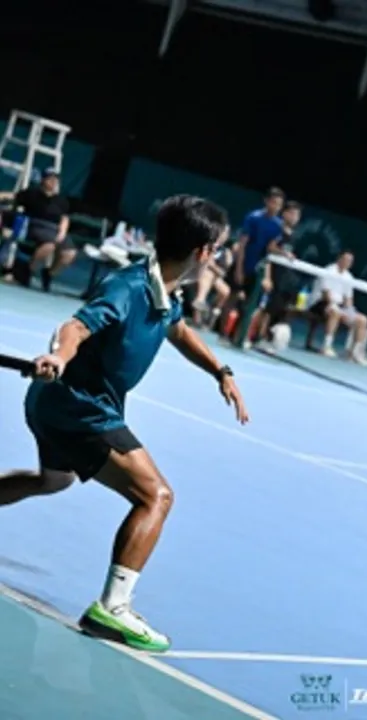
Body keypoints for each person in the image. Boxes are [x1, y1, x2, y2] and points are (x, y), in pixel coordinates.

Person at [0, 195, 249, 653]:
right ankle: (112, 609)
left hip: (55, 405)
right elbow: (76, 327)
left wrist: (221, 371)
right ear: (202, 252)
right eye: (217, 248)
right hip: (82, 410)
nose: (218, 256)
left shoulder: (162, 289)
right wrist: (59, 355)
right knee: (156, 496)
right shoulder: (128, 287)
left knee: (52, 480)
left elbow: (178, 330)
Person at [219, 187, 286, 337]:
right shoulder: (253, 218)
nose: (276, 207)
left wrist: (285, 253)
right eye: (273, 202)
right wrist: (239, 270)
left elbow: (270, 248)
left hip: (258, 269)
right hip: (242, 263)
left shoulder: (278, 225)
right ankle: (222, 333)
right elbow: (242, 244)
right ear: (266, 201)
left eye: (279, 204)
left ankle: (236, 336)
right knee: (232, 297)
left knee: (250, 303)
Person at [0, 169, 76, 291]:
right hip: (36, 225)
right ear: (43, 180)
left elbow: (65, 218)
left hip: (56, 228)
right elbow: (13, 196)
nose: (53, 182)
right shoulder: (31, 194)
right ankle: (28, 271)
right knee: (49, 245)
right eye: (50, 179)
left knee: (70, 253)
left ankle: (49, 274)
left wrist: (62, 232)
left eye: (55, 179)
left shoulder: (61, 200)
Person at [252, 200, 303, 350]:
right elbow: (270, 248)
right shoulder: (277, 229)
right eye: (292, 213)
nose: (294, 217)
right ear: (284, 214)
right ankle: (257, 337)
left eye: (297, 215)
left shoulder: (293, 235)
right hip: (271, 274)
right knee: (266, 309)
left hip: (284, 279)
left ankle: (266, 337)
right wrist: (283, 254)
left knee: (276, 309)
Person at [307, 250, 367, 366]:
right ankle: (326, 346)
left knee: (362, 320)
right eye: (346, 259)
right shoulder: (329, 270)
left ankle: (355, 354)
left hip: (340, 306)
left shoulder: (349, 277)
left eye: (350, 261)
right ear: (339, 259)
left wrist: (349, 312)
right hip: (321, 302)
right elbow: (326, 294)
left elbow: (348, 299)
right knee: (335, 312)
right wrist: (337, 309)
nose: (347, 262)